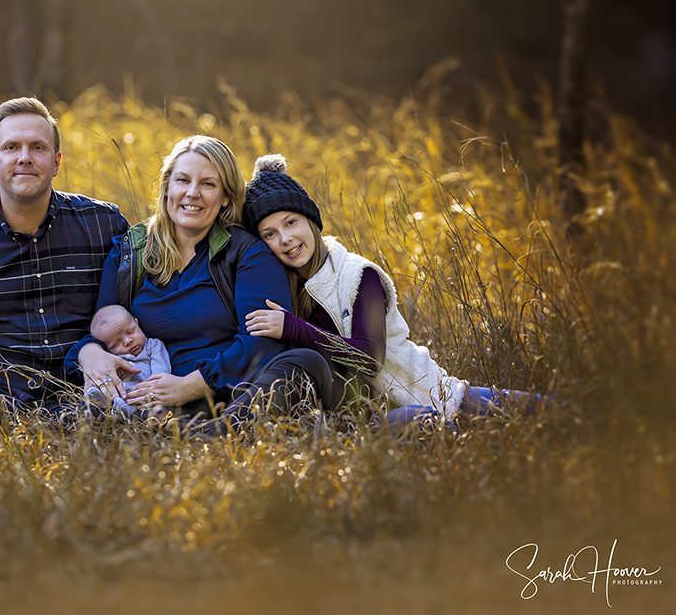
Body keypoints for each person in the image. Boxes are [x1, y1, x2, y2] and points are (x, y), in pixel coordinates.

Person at [242, 154, 546, 427]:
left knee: (552, 412)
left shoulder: (358, 275)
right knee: (419, 425)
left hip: (426, 390)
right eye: (270, 233)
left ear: (311, 220)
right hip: (372, 417)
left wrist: (292, 327)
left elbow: (370, 358)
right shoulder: (282, 288)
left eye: (291, 222)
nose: (285, 238)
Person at [67, 136, 334, 434]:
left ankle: (210, 435)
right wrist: (88, 353)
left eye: (208, 184)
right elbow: (102, 329)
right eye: (182, 180)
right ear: (167, 186)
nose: (192, 193)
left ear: (225, 198)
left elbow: (264, 343)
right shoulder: (131, 252)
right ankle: (189, 433)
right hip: (151, 399)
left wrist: (190, 385)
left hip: (234, 396)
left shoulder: (247, 252)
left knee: (304, 363)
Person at [0, 97, 129, 410]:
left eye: (37, 147)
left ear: (57, 161)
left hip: (90, 399)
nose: (25, 158)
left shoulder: (104, 225)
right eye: (11, 148)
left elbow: (142, 311)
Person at [84, 304, 170, 415]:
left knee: (133, 402)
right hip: (117, 391)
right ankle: (98, 398)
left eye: (130, 332)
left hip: (144, 391)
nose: (128, 341)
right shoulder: (113, 356)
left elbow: (161, 367)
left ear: (136, 322)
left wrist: (154, 386)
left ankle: (122, 411)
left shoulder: (152, 345)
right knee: (105, 387)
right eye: (116, 343)